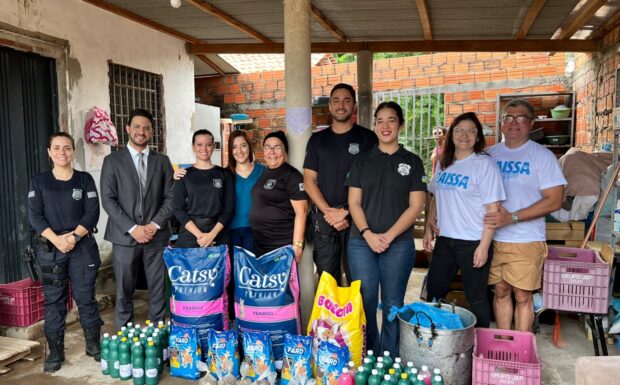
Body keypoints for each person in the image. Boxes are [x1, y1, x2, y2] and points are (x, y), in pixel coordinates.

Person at [346, 101, 426, 356]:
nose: (385, 125)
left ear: (400, 124)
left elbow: (416, 206)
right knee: (366, 302)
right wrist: (368, 234)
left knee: (393, 305)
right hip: (362, 242)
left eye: (391, 120)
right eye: (379, 120)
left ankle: (389, 357)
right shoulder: (362, 161)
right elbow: (353, 202)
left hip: (399, 244)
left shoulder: (413, 162)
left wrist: (389, 237)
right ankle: (369, 354)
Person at [484, 99, 566, 331]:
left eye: (521, 118)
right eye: (508, 117)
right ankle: (503, 342)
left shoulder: (542, 156)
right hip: (494, 238)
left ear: (530, 124)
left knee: (522, 296)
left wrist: (513, 217)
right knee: (500, 292)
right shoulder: (490, 154)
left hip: (526, 239)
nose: (514, 123)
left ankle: (521, 349)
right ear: (501, 123)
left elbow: (555, 200)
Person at [28, 132, 103, 372]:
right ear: (49, 152)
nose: (62, 152)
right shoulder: (39, 182)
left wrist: (73, 237)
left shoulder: (84, 180)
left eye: (67, 148)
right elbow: (35, 216)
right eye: (57, 148)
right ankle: (55, 353)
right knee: (54, 302)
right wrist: (57, 240)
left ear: (72, 151)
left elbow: (92, 213)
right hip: (51, 249)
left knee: (86, 298)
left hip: (82, 247)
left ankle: (94, 346)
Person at [422, 112, 505, 328]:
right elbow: (435, 195)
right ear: (451, 135)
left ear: (478, 137)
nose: (464, 135)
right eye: (459, 130)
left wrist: (484, 246)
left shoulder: (484, 165)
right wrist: (429, 227)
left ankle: (480, 350)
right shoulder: (443, 162)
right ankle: (436, 339)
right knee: (434, 293)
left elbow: (493, 210)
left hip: (472, 242)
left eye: (471, 131)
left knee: (476, 298)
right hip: (445, 240)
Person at [100, 108, 174, 329]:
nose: (141, 131)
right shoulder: (112, 161)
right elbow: (108, 199)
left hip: (156, 235)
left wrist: (153, 225)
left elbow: (171, 197)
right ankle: (125, 331)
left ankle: (158, 332)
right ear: (128, 129)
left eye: (146, 128)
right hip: (124, 237)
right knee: (124, 289)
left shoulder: (162, 161)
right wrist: (133, 228)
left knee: (158, 287)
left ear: (152, 132)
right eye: (137, 127)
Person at [303, 83, 377, 284]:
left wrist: (345, 211)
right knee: (328, 283)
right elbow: (309, 181)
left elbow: (373, 181)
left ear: (353, 105)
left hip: (358, 220)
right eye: (336, 100)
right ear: (329, 106)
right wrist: (329, 212)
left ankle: (358, 317)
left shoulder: (368, 138)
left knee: (359, 282)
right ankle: (329, 318)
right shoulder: (317, 140)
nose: (341, 105)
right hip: (325, 222)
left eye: (346, 100)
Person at [250, 130, 308, 262]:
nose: (272, 152)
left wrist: (298, 246)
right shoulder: (265, 172)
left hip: (280, 244)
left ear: (285, 151)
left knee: (282, 283)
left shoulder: (292, 176)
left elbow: (302, 212)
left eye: (277, 147)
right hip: (261, 243)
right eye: (267, 147)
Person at [173, 129, 235, 248]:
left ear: (213, 146)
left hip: (218, 233)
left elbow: (229, 208)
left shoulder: (224, 174)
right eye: (199, 144)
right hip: (190, 234)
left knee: (221, 267)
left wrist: (212, 235)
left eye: (208, 144)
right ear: (193, 147)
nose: (204, 149)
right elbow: (178, 209)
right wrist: (200, 236)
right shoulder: (183, 175)